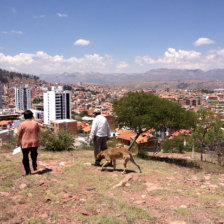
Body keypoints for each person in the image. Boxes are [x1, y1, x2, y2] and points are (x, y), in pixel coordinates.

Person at [16, 110, 40, 175]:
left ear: (24, 117)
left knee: (25, 157)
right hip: (34, 142)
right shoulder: (35, 123)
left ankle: (28, 171)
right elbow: (38, 131)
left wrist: (17, 144)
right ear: (32, 116)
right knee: (34, 154)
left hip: (25, 143)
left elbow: (18, 135)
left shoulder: (22, 124)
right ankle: (34, 164)